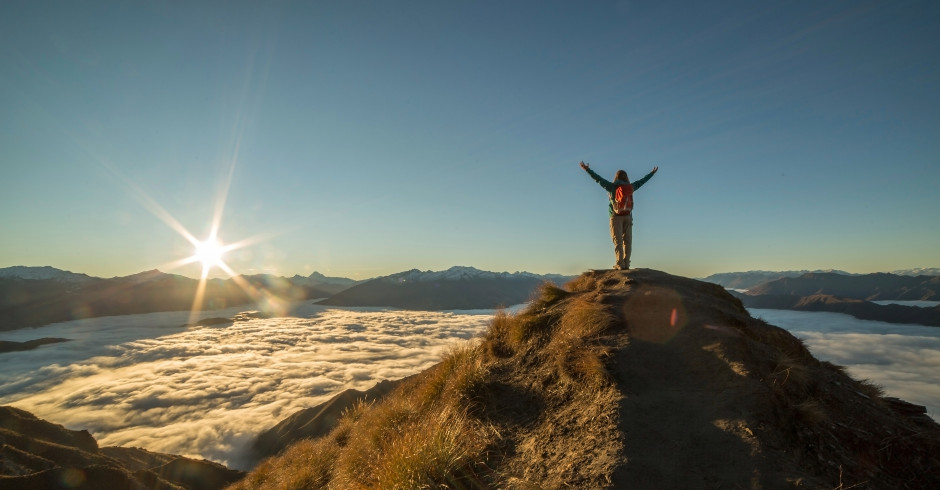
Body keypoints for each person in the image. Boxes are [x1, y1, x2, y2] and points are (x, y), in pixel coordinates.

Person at [579, 161, 658, 270]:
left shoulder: (611, 187)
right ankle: (627, 263)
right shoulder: (631, 187)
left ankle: (620, 263)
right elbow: (642, 181)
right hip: (628, 216)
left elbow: (598, 179)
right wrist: (652, 173)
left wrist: (587, 169)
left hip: (615, 216)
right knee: (628, 241)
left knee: (618, 241)